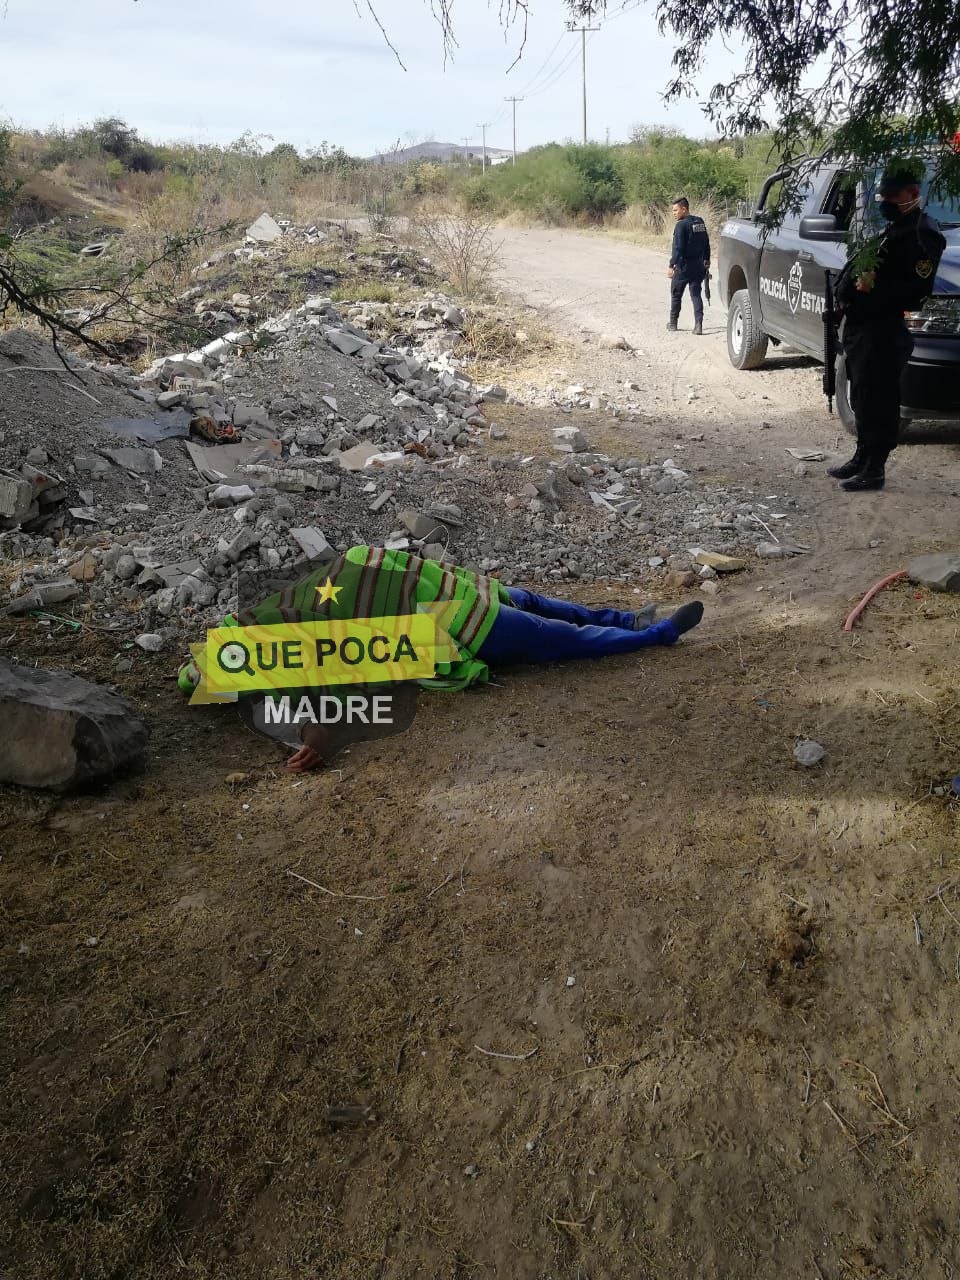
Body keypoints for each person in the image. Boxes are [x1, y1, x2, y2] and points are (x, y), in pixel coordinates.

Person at [179, 545, 705, 771]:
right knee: (553, 634)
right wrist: (316, 737)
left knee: (535, 603)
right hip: (443, 622)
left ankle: (628, 618)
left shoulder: (273, 618)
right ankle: (657, 634)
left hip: (433, 585)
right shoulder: (284, 659)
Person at [828, 160, 946, 492]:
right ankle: (862, 456)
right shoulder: (895, 229)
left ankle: (875, 468)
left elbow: (915, 291)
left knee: (880, 400)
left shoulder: (923, 233)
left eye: (892, 197)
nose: (885, 203)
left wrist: (869, 294)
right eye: (884, 196)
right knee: (863, 396)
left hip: (883, 330)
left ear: (913, 193)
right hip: (863, 328)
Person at [667, 197, 711, 335]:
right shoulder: (699, 221)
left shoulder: (681, 225)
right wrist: (707, 260)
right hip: (698, 266)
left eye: (675, 210)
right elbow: (706, 243)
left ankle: (673, 323)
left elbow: (679, 248)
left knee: (676, 294)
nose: (674, 213)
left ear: (684, 209)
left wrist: (671, 265)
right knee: (696, 295)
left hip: (683, 266)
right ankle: (698, 325)